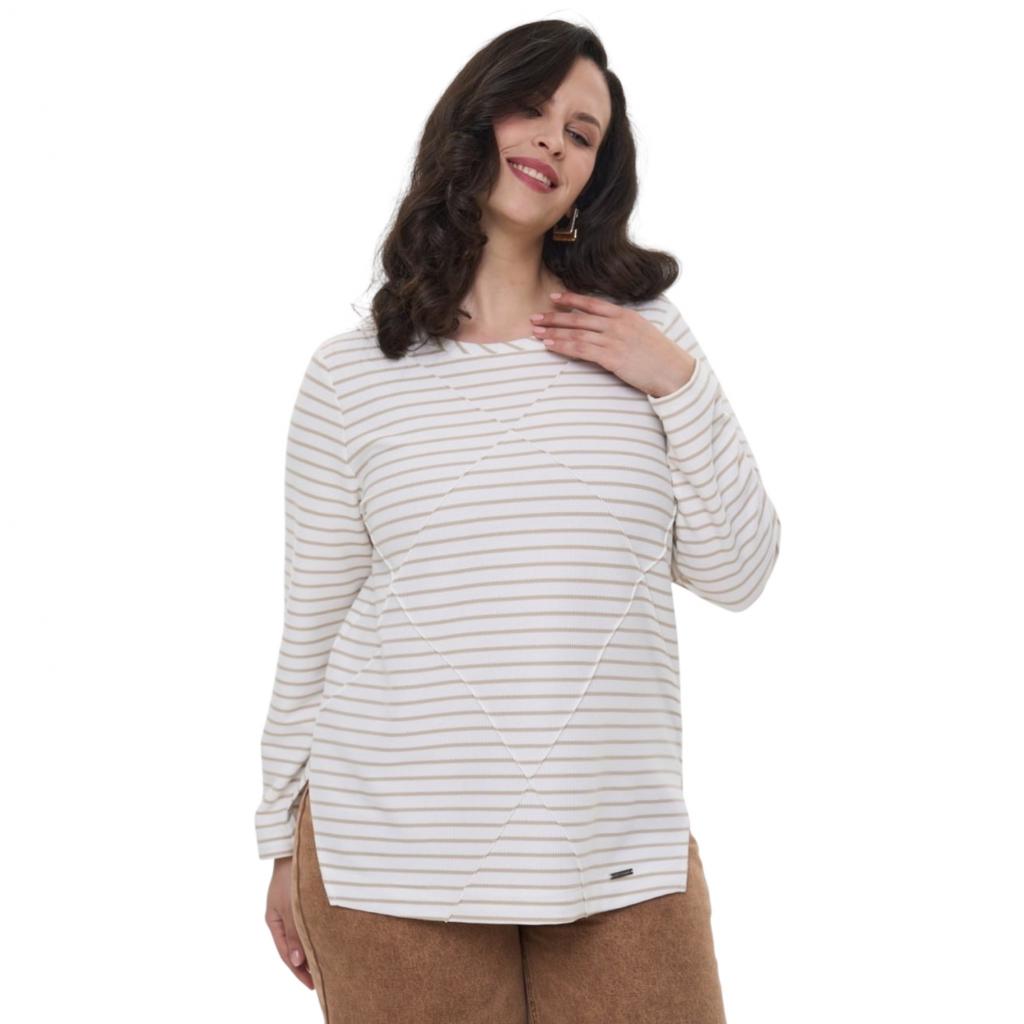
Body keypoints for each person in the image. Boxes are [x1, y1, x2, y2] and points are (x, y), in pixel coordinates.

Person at [255, 19, 781, 1024]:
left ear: (591, 180)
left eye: (582, 133)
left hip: (620, 852)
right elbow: (314, 623)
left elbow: (740, 571)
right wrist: (278, 838)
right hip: (387, 859)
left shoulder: (644, 341)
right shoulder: (351, 376)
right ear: (473, 121)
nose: (552, 140)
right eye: (531, 109)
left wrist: (677, 385)